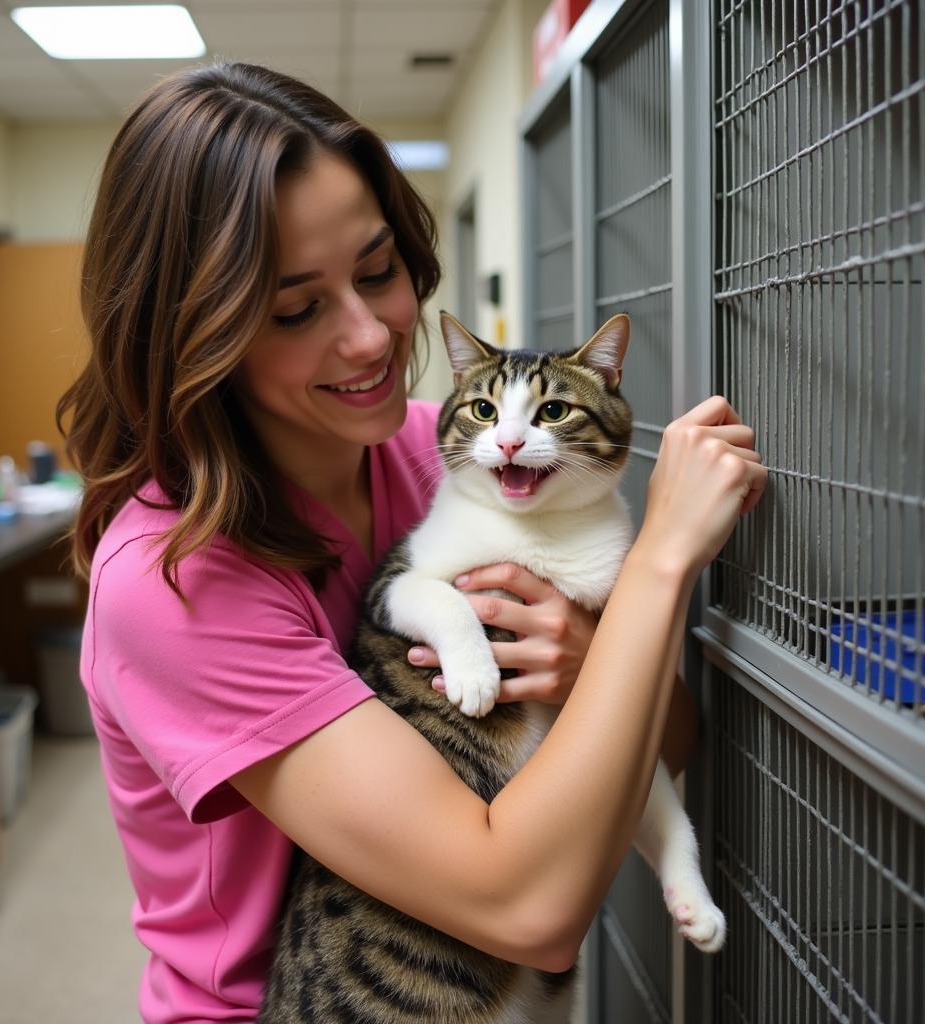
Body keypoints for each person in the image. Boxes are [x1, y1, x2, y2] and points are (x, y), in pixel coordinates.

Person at [58, 62, 767, 1023]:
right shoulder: (172, 581)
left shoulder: (450, 452)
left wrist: (588, 655)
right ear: (194, 337)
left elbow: (672, 739)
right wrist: (661, 561)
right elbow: (531, 911)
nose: (370, 337)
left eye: (379, 270)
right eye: (297, 308)